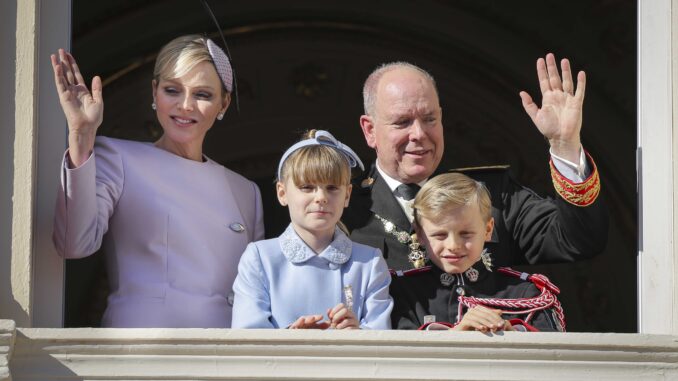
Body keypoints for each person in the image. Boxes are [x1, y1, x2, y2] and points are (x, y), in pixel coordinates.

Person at [51, 35, 265, 328]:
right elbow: (73, 244)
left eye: (202, 94)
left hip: (225, 357)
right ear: (155, 92)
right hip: (143, 353)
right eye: (172, 90)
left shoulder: (246, 191)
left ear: (224, 103)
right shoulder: (119, 157)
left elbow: (256, 296)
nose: (185, 105)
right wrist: (81, 135)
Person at [344, 54, 608, 272]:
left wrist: (565, 146)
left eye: (430, 119)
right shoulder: (343, 207)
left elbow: (579, 240)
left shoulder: (492, 194)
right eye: (402, 122)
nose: (419, 134)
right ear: (370, 130)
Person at [231, 130, 393, 329]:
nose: (321, 197)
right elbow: (247, 339)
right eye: (307, 187)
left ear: (348, 195)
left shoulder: (370, 263)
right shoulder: (260, 258)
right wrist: (292, 339)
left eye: (332, 187)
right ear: (282, 193)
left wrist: (357, 333)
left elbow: (381, 345)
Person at [391, 173, 565, 332]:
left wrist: (511, 335)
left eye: (466, 233)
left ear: (488, 229)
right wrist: (456, 335)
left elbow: (554, 357)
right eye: (440, 235)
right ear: (419, 234)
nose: (453, 245)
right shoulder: (401, 292)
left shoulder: (525, 293)